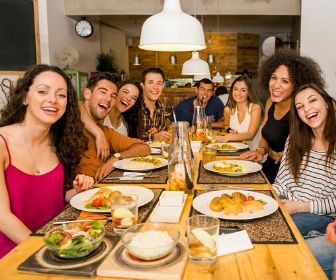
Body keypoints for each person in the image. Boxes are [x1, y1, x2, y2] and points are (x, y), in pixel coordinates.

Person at [0, 64, 94, 258]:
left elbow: (51, 200)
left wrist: (75, 192)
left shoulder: (59, 142)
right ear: (25, 97)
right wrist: (47, 249)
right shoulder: (2, 143)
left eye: (61, 95)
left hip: (56, 245)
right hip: (14, 255)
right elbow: (2, 218)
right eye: (43, 91)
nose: (53, 100)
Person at [272, 84, 336, 279]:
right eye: (299, 106)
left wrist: (300, 206)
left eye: (312, 100)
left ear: (326, 102)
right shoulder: (295, 138)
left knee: (276, 245)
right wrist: (268, 197)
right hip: (289, 202)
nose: (306, 109)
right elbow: (281, 181)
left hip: (319, 213)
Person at [240, 49, 326, 183]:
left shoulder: (302, 109)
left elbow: (314, 148)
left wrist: (287, 156)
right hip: (269, 168)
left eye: (285, 81)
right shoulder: (270, 102)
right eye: (274, 78)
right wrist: (260, 151)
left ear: (296, 84)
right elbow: (267, 135)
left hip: (293, 178)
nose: (276, 85)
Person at [78, 73, 150, 181]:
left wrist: (115, 158)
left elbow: (144, 148)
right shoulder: (68, 122)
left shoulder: (107, 132)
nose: (108, 98)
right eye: (103, 92)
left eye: (113, 95)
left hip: (102, 190)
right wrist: (98, 133)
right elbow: (76, 105)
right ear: (87, 93)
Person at [80, 79, 143, 162]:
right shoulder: (101, 113)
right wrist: (99, 133)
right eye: (125, 92)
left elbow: (137, 146)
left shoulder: (128, 121)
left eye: (134, 98)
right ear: (116, 93)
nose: (128, 98)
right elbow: (79, 106)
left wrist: (116, 157)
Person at [215, 75, 263, 150]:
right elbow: (226, 125)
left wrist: (228, 137)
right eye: (236, 89)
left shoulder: (255, 108)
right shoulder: (228, 110)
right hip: (236, 152)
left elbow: (250, 135)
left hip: (254, 154)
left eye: (243, 90)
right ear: (232, 91)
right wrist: (229, 130)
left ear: (249, 92)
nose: (238, 93)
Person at [140, 67, 170, 142]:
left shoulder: (160, 106)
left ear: (163, 86)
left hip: (154, 151)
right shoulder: (134, 106)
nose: (155, 87)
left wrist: (157, 129)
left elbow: (162, 125)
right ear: (142, 85)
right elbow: (129, 136)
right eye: (150, 82)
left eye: (159, 83)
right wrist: (153, 137)